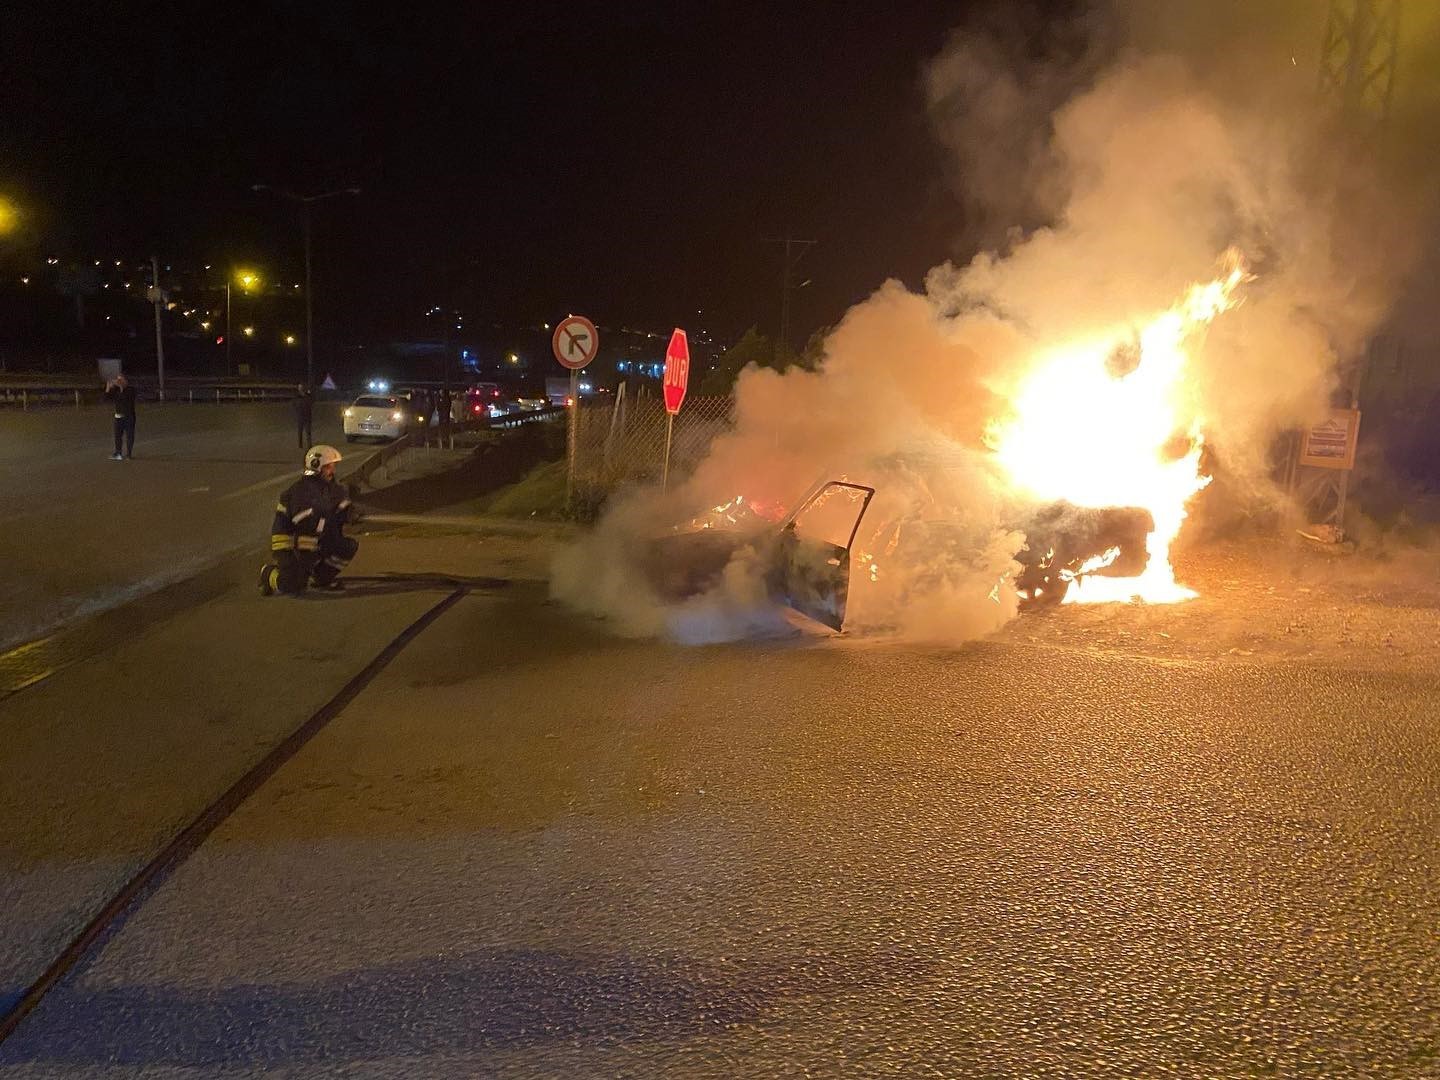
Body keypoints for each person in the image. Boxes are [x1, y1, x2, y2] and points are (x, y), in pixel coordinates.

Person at [258, 444, 360, 596]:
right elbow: (307, 523)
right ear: (316, 466)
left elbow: (337, 510)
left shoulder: (331, 488)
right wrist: (307, 560)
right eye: (328, 467)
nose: (333, 471)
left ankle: (321, 577)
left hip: (312, 540)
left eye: (333, 466)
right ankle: (268, 574)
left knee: (347, 547)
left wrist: (349, 513)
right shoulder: (300, 492)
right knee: (293, 585)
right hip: (290, 544)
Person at [104, 374, 137, 460]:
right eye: (118, 380)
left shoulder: (131, 390)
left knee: (129, 436)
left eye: (121, 380)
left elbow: (126, 398)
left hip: (129, 417)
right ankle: (118, 453)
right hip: (118, 417)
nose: (119, 382)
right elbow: (106, 399)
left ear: (126, 381)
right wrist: (108, 387)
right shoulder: (116, 390)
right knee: (117, 436)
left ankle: (129, 454)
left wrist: (121, 387)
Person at [293, 384, 314, 451]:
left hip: (307, 415)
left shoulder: (308, 396)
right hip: (300, 416)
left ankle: (309, 444)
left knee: (308, 431)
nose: (301, 388)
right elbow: (294, 404)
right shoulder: (297, 396)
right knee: (300, 431)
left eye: (301, 387)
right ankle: (300, 443)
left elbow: (312, 402)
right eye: (299, 387)